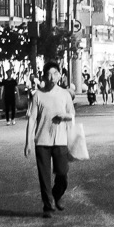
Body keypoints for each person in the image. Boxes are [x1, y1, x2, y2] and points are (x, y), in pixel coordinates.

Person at [25, 64, 83, 216]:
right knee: (44, 177)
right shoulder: (38, 95)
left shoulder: (65, 94)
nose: (52, 77)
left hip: (60, 140)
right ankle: (48, 207)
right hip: (42, 141)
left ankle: (56, 195)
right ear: (44, 76)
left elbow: (72, 115)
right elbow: (32, 118)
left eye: (55, 73)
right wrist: (28, 141)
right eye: (48, 74)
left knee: (62, 174)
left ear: (59, 75)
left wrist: (64, 116)